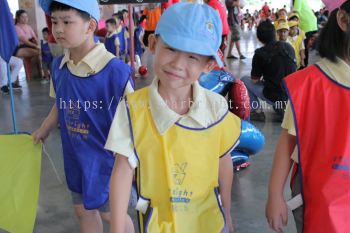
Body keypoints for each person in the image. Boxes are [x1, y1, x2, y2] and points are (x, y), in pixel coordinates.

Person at [106, 3, 240, 233]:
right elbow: (122, 169)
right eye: (170, 49)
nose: (178, 64)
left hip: (208, 221)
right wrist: (117, 228)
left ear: (207, 65)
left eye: (192, 57)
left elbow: (223, 161)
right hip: (157, 223)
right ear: (153, 44)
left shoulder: (216, 107)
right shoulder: (132, 108)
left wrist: (226, 211)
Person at [33, 0, 134, 232]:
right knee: (83, 211)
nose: (58, 29)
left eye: (67, 22)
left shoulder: (115, 72)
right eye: (55, 21)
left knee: (112, 214)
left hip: (107, 161)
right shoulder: (59, 67)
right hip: (75, 156)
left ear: (89, 26)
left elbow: (134, 120)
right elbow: (60, 104)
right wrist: (45, 128)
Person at [266, 1, 350, 232]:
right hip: (317, 197)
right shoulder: (310, 84)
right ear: (343, 21)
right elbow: (287, 141)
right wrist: (275, 195)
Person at [242, 20, 296, 122]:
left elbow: (254, 80)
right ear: (275, 33)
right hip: (292, 95)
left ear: (259, 38)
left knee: (244, 80)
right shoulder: (289, 47)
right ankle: (284, 107)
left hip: (274, 95)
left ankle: (257, 111)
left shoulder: (260, 54)